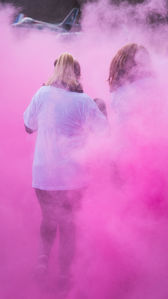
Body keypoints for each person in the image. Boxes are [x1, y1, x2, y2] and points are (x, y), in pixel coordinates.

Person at [23, 52, 106, 290]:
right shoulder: (85, 101)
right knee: (69, 226)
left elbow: (29, 126)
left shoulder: (42, 93)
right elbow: (104, 134)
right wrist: (100, 108)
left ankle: (42, 261)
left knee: (48, 218)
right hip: (73, 177)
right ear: (77, 76)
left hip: (43, 174)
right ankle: (63, 276)